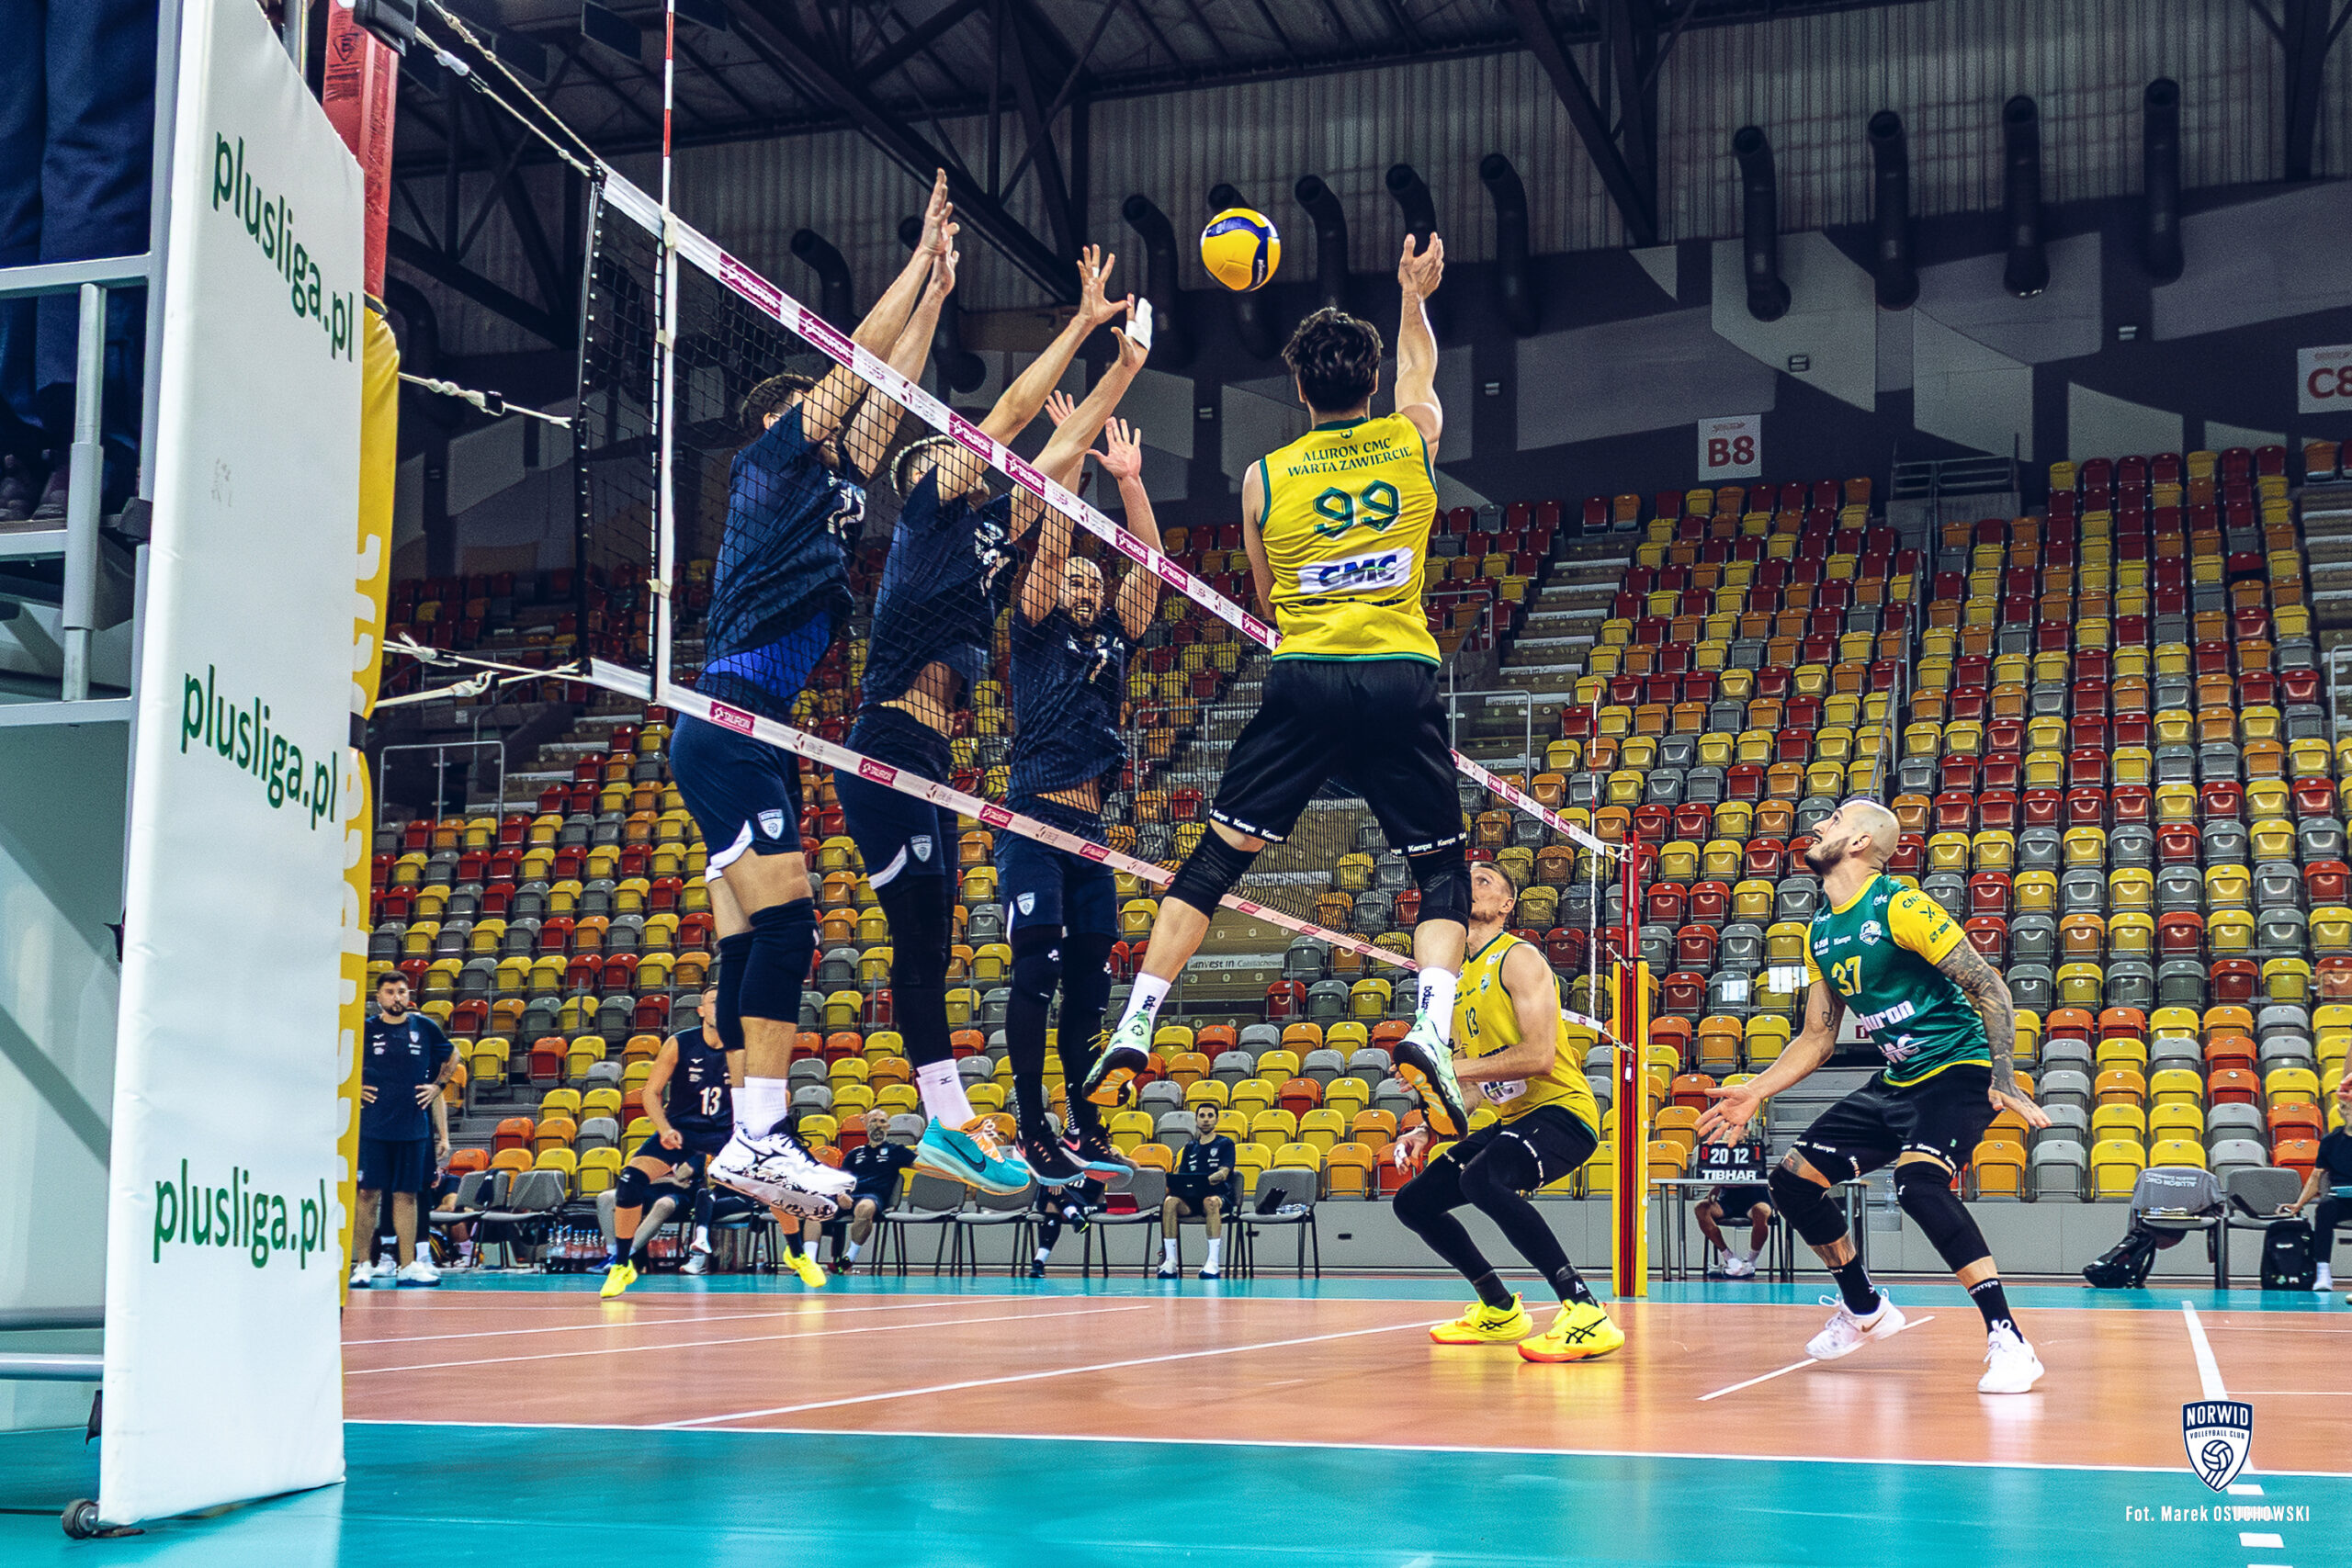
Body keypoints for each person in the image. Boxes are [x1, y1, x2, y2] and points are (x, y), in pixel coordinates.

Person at [1085, 236, 1473, 1140]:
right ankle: (1430, 1029)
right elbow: (1422, 368)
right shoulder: (1411, 437)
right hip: (1399, 675)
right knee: (1441, 873)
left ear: (1299, 390)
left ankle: (1136, 1021)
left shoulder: (1264, 478)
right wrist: (1411, 296)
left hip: (1305, 678)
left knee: (1215, 862)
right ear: (1370, 386)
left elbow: (1266, 599)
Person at [675, 173, 956, 1218]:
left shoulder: (832, 481)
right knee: (791, 925)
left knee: (756, 937)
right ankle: (758, 1136)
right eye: (817, 411)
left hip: (757, 732)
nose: (835, 420)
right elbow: (858, 371)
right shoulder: (767, 463)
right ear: (784, 420)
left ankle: (752, 1139)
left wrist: (936, 300)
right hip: (730, 720)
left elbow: (891, 393)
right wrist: (914, 264)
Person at [839, 245, 1132, 1195]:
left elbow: (1058, 459)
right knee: (919, 941)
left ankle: (951, 1121)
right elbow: (1008, 419)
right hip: (886, 742)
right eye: (949, 448)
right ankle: (950, 1118)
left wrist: (1123, 369)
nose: (967, 452)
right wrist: (1079, 324)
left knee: (933, 940)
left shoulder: (992, 540)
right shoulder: (928, 511)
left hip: (930, 758)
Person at [1698, 797, 2052, 1393]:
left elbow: (1988, 985)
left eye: (1834, 820)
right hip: (1897, 1078)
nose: (1818, 825)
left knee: (1918, 1183)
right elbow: (1817, 1037)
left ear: (1861, 842)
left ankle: (2010, 1339)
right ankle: (1865, 1308)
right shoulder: (1820, 931)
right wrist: (1755, 1091)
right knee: (1791, 1182)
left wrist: (2003, 1075)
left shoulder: (1901, 907)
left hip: (1957, 1069)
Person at [993, 344, 1153, 1186]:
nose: (1087, 589)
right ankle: (1031, 1123)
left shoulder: (1114, 636)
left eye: (1096, 582)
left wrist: (1129, 482)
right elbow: (1052, 553)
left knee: (1091, 985)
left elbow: (1151, 574)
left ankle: (1085, 1124)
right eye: (1077, 582)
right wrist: (1073, 463)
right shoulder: (1034, 629)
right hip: (1033, 819)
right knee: (1039, 971)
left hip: (1090, 832)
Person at [1391, 863, 1620, 1361]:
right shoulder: (1453, 982)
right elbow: (1475, 1086)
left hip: (1565, 1113)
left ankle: (1586, 1311)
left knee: (1481, 1180)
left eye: (1485, 881)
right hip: (1512, 1117)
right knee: (1413, 1203)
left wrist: (1447, 1066)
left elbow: (1538, 1057)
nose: (1471, 884)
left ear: (1505, 906)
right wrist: (1428, 1128)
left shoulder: (1518, 957)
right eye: (1467, 878)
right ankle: (1499, 1309)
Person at [602, 989, 735, 1297]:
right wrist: (664, 1129)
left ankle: (799, 1252)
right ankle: (621, 1263)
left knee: (771, 1182)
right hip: (681, 1131)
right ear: (701, 1010)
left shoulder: (741, 1046)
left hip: (723, 1134)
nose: (721, 1007)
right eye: (714, 1002)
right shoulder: (680, 1042)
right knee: (630, 1179)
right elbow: (651, 1092)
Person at [353, 976, 454, 1288]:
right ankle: (363, 1264)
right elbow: (339, 1058)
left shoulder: (424, 1027)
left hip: (412, 1127)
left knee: (406, 1195)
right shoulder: (365, 1029)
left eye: (402, 991)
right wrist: (353, 1086)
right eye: (390, 992)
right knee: (367, 1194)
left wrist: (438, 1086)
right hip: (373, 1126)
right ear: (379, 997)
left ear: (408, 995)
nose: (396, 997)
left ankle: (408, 1265)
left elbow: (453, 1056)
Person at [2281, 1075, 2352, 1293]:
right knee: (2325, 1207)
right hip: (2341, 1198)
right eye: (2345, 1108)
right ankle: (2323, 1272)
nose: (2348, 1111)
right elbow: (2316, 1176)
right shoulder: (2331, 1141)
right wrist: (2299, 1204)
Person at [831, 1109, 918, 1275]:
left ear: (888, 1127)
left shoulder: (896, 1151)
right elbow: (842, 1180)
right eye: (873, 1121)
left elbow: (921, 1165)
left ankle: (849, 1258)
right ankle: (807, 1261)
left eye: (882, 1121)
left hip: (873, 1197)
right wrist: (841, 1194)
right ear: (865, 1125)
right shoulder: (855, 1153)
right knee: (816, 1208)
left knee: (864, 1208)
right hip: (849, 1196)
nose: (878, 1125)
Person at [1160, 1103, 1236, 1279]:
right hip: (1191, 1199)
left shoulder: (1225, 1144)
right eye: (1202, 1116)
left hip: (1218, 1196)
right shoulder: (1190, 1147)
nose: (1206, 1120)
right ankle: (1170, 1261)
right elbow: (1183, 1176)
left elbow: (1223, 1173)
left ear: (1216, 1120)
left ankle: (1213, 1262)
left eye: (1210, 1116)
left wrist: (1205, 1180)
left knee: (1210, 1202)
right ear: (1196, 1120)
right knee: (1170, 1202)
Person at [1694, 1116, 1774, 1279]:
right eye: (1728, 1128)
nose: (1731, 1131)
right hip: (1728, 1200)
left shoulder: (1754, 1148)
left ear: (1746, 1131)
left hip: (1755, 1198)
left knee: (1762, 1211)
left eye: (1735, 1128)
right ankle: (1730, 1258)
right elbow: (1714, 1175)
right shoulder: (1718, 1150)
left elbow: (1753, 1175)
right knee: (1701, 1208)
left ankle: (1750, 1261)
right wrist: (1716, 1188)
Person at [1028, 1165, 1105, 1278]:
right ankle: (1074, 1215)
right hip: (1052, 1194)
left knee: (1053, 1213)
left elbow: (1128, 1168)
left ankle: (1039, 1262)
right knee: (1051, 1188)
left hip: (1079, 1198)